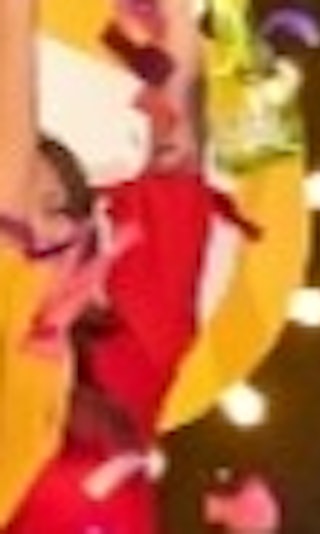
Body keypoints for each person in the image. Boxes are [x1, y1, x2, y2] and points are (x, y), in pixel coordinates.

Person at [0, 0, 217, 532]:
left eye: (58, 209)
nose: (39, 229)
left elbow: (174, 165)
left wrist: (178, 40)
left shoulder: (125, 356)